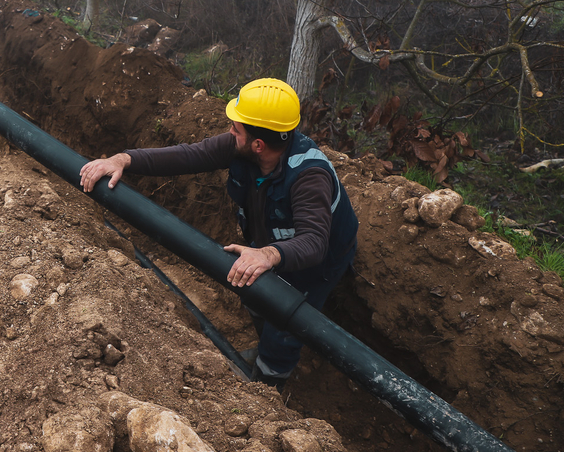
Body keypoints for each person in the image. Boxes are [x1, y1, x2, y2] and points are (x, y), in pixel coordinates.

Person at [78, 77, 358, 390]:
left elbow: (315, 241)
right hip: (270, 244)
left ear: (258, 144)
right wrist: (123, 159)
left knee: (284, 326)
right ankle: (264, 348)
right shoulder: (247, 147)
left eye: (236, 128)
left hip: (315, 259)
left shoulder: (309, 177)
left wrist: (269, 254)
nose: (229, 132)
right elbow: (187, 155)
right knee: (258, 297)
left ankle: (268, 384)